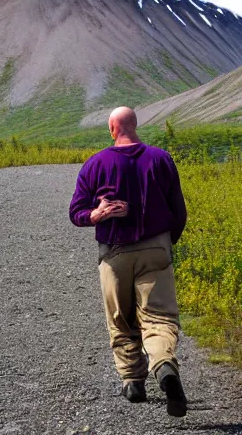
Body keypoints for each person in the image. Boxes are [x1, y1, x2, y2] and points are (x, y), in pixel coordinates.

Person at [69, 106, 188, 417]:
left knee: (120, 320)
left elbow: (76, 213)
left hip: (114, 253)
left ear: (112, 128)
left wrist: (95, 215)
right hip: (156, 248)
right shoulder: (161, 159)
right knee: (159, 318)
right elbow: (179, 211)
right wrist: (164, 244)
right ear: (136, 125)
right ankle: (164, 367)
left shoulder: (95, 163)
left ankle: (133, 381)